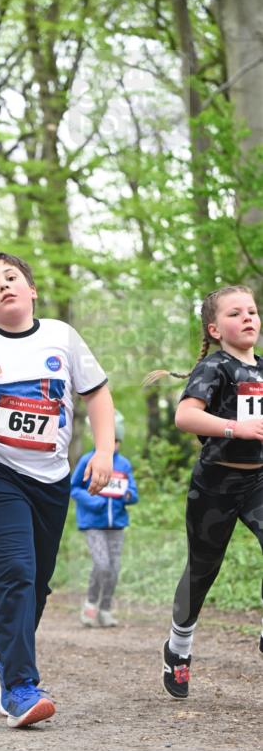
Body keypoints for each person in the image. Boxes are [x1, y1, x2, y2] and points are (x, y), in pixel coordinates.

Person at [0, 251, 114, 728]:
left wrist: (104, 451)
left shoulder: (62, 338)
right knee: (13, 569)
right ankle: (19, 687)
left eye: (12, 278)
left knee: (38, 582)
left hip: (50, 477)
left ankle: (7, 661)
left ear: (31, 290)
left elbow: (96, 393)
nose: (3, 286)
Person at [144, 285, 263, 697]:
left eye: (252, 310)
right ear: (214, 329)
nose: (247, 317)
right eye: (235, 313)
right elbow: (185, 416)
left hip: (259, 481)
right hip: (215, 484)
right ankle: (178, 648)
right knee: (202, 571)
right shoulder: (216, 368)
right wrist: (236, 428)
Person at [70, 411, 138, 628]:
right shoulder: (86, 460)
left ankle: (106, 609)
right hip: (93, 523)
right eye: (110, 440)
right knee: (102, 564)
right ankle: (90, 604)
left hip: (117, 524)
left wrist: (128, 496)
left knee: (114, 568)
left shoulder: (124, 465)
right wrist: (93, 501)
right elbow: (74, 488)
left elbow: (132, 492)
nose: (114, 445)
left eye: (117, 441)